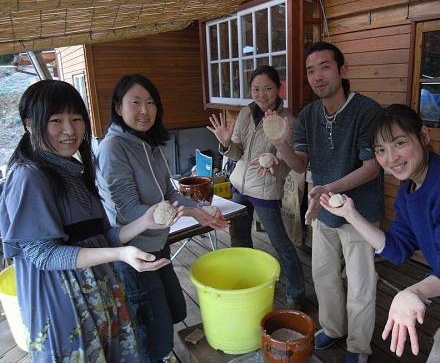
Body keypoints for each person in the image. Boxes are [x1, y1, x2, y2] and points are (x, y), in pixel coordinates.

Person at [0, 80, 172, 363]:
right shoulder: (29, 175)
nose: (70, 130)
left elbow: (101, 236)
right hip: (62, 306)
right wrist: (120, 254)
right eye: (56, 120)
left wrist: (145, 221)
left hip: (99, 293)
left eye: (77, 119)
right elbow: (44, 254)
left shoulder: (72, 170)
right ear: (30, 124)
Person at [320, 104, 440, 362]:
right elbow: (396, 249)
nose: (390, 158)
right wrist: (350, 214)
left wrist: (414, 291)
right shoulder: (409, 190)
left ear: (424, 136)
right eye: (381, 150)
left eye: (399, 143)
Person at [96, 74, 228, 363]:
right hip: (133, 253)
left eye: (151, 102)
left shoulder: (150, 144)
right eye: (136, 103)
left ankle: (159, 354)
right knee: (149, 322)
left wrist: (199, 212)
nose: (145, 110)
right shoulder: (113, 148)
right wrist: (164, 215)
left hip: (158, 244)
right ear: (118, 107)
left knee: (172, 309)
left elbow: (168, 191)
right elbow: (128, 209)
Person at [267, 42, 384, 363]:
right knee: (323, 274)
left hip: (359, 213)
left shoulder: (367, 111)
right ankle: (333, 328)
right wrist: (280, 144)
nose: (317, 76)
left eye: (325, 67)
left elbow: (371, 167)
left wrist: (329, 188)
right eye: (310, 70)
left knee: (361, 284)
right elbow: (301, 164)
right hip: (323, 211)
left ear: (342, 70)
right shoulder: (308, 114)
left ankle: (359, 346)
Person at [207, 65, 305, 309]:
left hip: (265, 190)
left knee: (280, 243)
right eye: (256, 89)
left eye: (268, 88)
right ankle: (247, 284)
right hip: (239, 185)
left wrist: (274, 164)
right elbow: (238, 151)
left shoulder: (288, 121)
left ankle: (297, 293)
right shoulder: (245, 114)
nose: (262, 94)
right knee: (239, 238)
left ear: (278, 89)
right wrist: (225, 143)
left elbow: (288, 166)